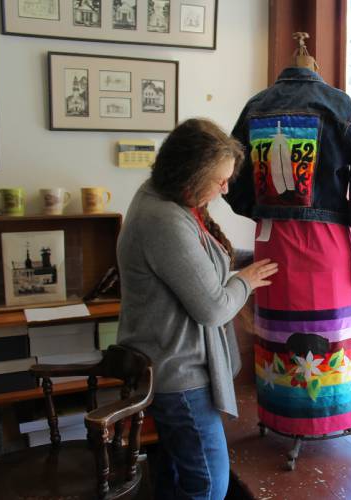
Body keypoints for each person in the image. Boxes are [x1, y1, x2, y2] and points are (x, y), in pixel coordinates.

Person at [116, 118, 278, 499]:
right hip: (179, 372)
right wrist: (246, 281)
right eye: (219, 180)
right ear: (190, 172)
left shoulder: (168, 198)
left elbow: (203, 262)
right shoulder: (163, 220)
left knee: (177, 475)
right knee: (209, 482)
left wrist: (259, 256)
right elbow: (212, 307)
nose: (224, 189)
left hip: (165, 363)